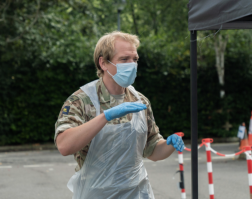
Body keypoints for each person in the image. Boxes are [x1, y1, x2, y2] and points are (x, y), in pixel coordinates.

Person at [54, 31, 184, 199]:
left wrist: (169, 144)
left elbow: (151, 150)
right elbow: (64, 146)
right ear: (103, 63)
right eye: (124, 59)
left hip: (136, 192)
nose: (131, 64)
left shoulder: (140, 101)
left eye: (135, 59)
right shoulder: (82, 100)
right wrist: (105, 117)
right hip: (96, 194)